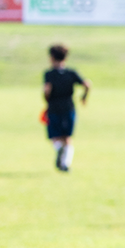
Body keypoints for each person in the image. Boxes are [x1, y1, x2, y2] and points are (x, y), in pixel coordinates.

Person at [43, 44, 90, 172]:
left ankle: (59, 149)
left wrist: (46, 99)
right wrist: (84, 97)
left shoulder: (49, 74)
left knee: (55, 136)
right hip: (69, 107)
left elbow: (47, 90)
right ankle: (65, 164)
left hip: (54, 108)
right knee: (67, 137)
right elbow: (87, 84)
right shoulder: (71, 73)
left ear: (51, 57)